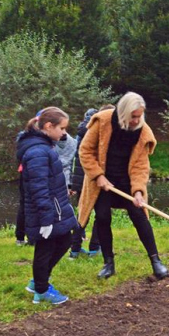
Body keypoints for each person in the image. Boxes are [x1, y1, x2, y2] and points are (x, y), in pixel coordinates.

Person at [77, 92, 169, 281]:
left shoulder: (143, 131)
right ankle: (108, 263)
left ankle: (156, 261)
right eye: (133, 116)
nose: (136, 120)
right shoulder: (102, 121)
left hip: (127, 182)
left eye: (140, 116)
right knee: (102, 217)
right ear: (123, 112)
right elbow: (85, 151)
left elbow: (140, 165)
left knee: (139, 215)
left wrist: (138, 190)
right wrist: (98, 176)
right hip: (102, 182)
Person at [18, 108, 79, 305]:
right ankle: (41, 290)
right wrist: (45, 219)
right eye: (61, 128)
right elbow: (38, 188)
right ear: (48, 126)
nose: (64, 133)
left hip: (55, 208)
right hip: (46, 211)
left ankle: (38, 281)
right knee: (46, 247)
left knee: (64, 241)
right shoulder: (37, 151)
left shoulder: (45, 146)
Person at [68, 107, 103, 259]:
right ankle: (95, 248)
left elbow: (75, 159)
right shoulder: (97, 131)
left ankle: (74, 250)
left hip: (80, 179)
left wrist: (72, 183)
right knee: (100, 214)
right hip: (93, 178)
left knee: (82, 213)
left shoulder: (79, 133)